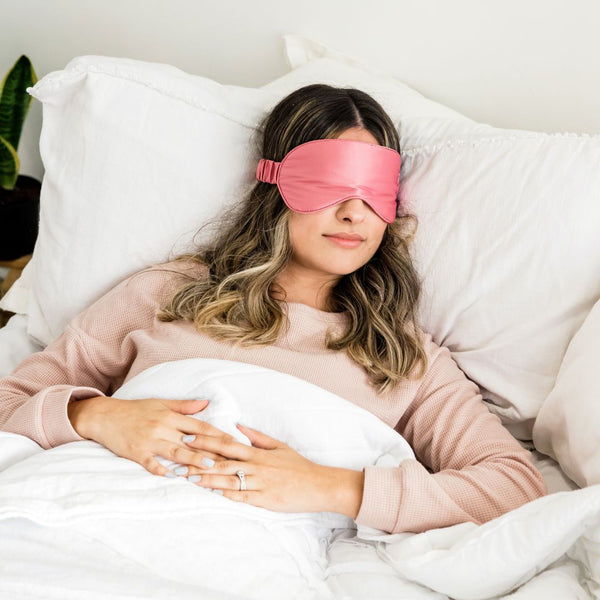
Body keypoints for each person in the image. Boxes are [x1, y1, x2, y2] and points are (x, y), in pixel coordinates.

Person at [0, 83, 546, 534]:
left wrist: (327, 485)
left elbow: (513, 486)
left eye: (375, 190)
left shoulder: (404, 357)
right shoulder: (169, 290)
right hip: (76, 510)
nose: (355, 213)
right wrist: (96, 416)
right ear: (275, 182)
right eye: (331, 183)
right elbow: (11, 399)